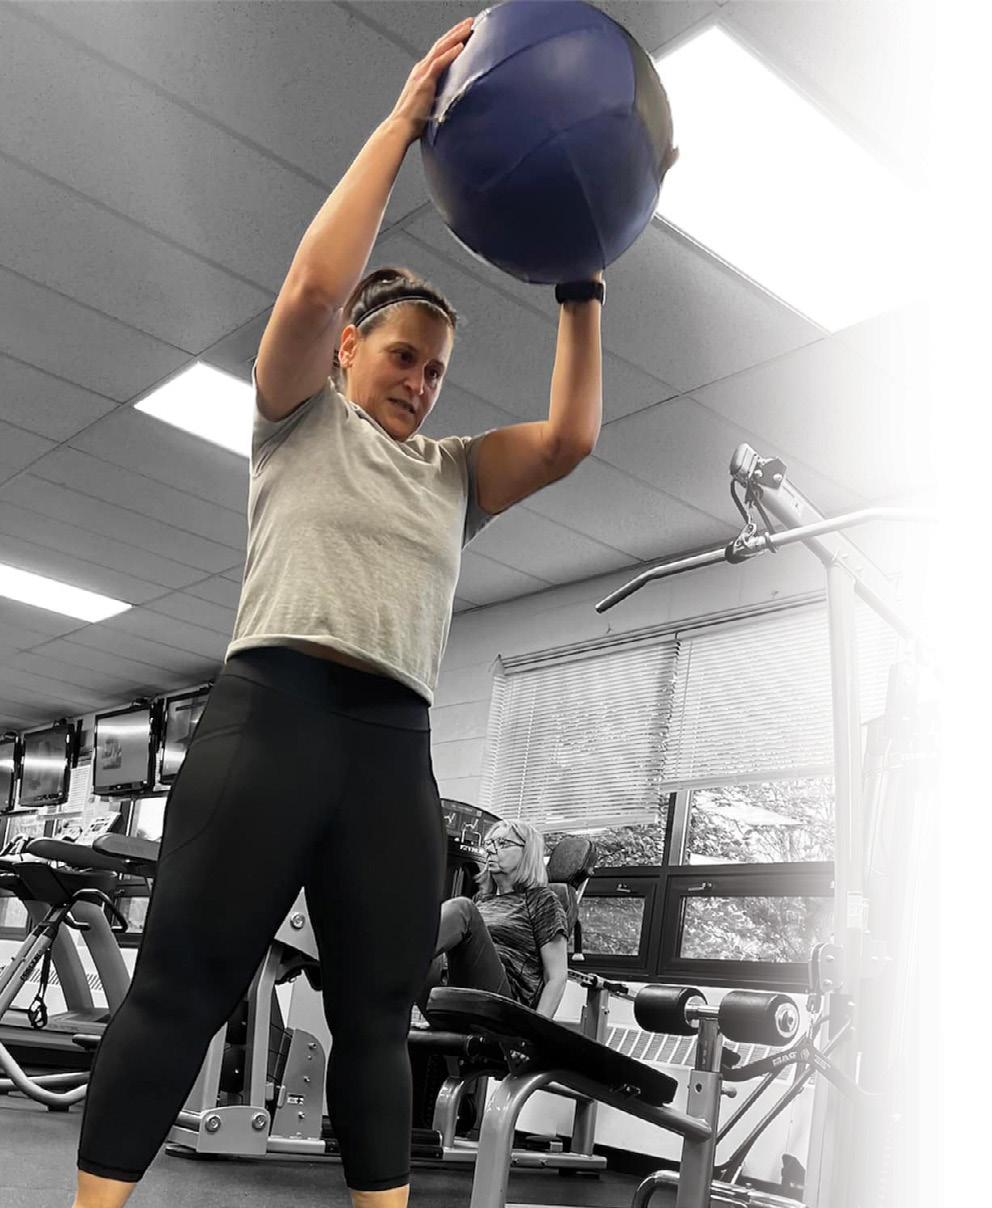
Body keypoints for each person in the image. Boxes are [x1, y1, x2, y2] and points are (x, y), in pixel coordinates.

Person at [71, 17, 603, 1208]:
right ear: (352, 349)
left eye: (437, 370)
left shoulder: (455, 475)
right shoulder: (297, 417)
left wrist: (582, 275)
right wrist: (405, 121)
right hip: (270, 718)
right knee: (179, 989)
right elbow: (315, 283)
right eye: (403, 356)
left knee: (375, 1020)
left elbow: (571, 436)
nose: (420, 382)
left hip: (388, 754)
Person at [419, 820, 569, 1020]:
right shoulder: (481, 900)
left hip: (504, 1009)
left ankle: (392, 962)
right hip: (452, 994)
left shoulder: (542, 900)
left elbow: (557, 977)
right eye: (489, 843)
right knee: (422, 941)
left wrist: (535, 1031)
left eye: (503, 843)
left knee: (461, 908)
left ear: (527, 852)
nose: (490, 850)